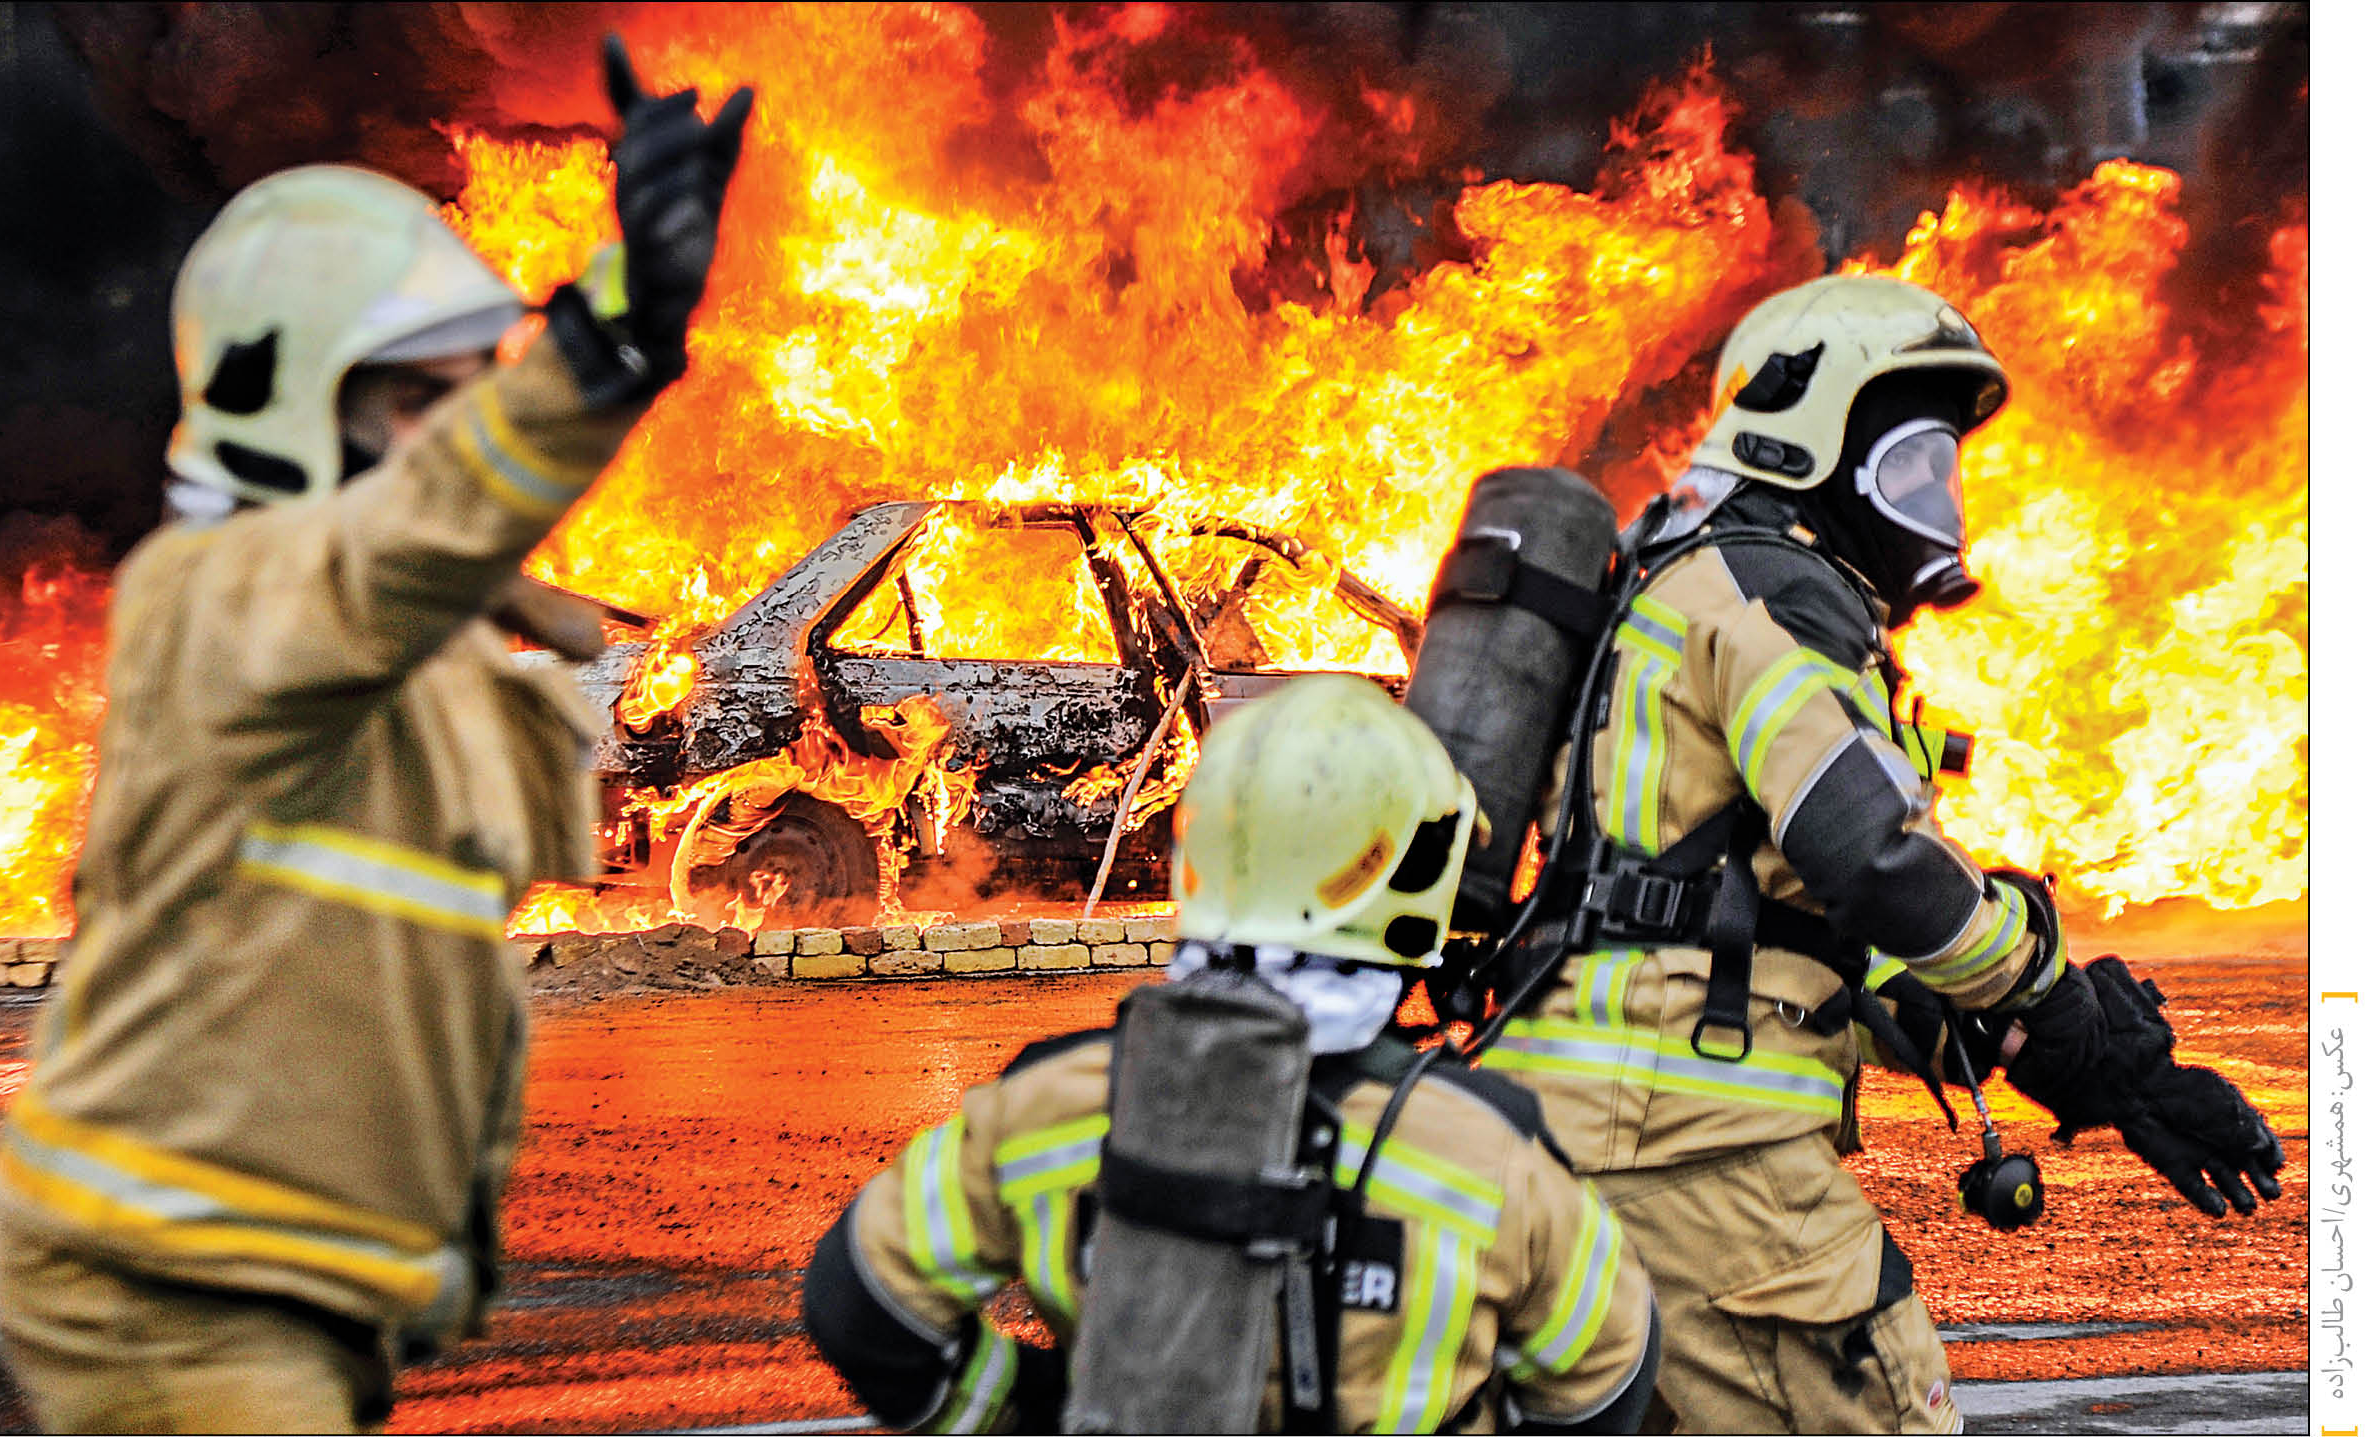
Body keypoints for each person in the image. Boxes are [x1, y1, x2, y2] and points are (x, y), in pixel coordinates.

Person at [0, 38, 754, 1434]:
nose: (458, 435)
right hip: (170, 1286)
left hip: (290, 1291)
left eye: (473, 389)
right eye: (417, 401)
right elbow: (408, 540)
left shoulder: (408, 652)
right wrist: (615, 337)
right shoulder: (210, 603)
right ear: (285, 407)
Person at [1473, 273, 2284, 1433]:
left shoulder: (1671, 584)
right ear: (1807, 443)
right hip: (1707, 1161)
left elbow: (1766, 916)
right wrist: (2043, 983)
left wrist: (2100, 1073)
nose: (1933, 501)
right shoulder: (1768, 595)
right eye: (1907, 464)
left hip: (1581, 1126)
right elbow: (1870, 854)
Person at [801, 675, 1660, 1434]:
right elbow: (1606, 1374)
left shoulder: (1048, 1109)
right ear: (1415, 877)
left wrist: (1027, 1409)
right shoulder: (1488, 1156)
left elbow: (860, 1300)